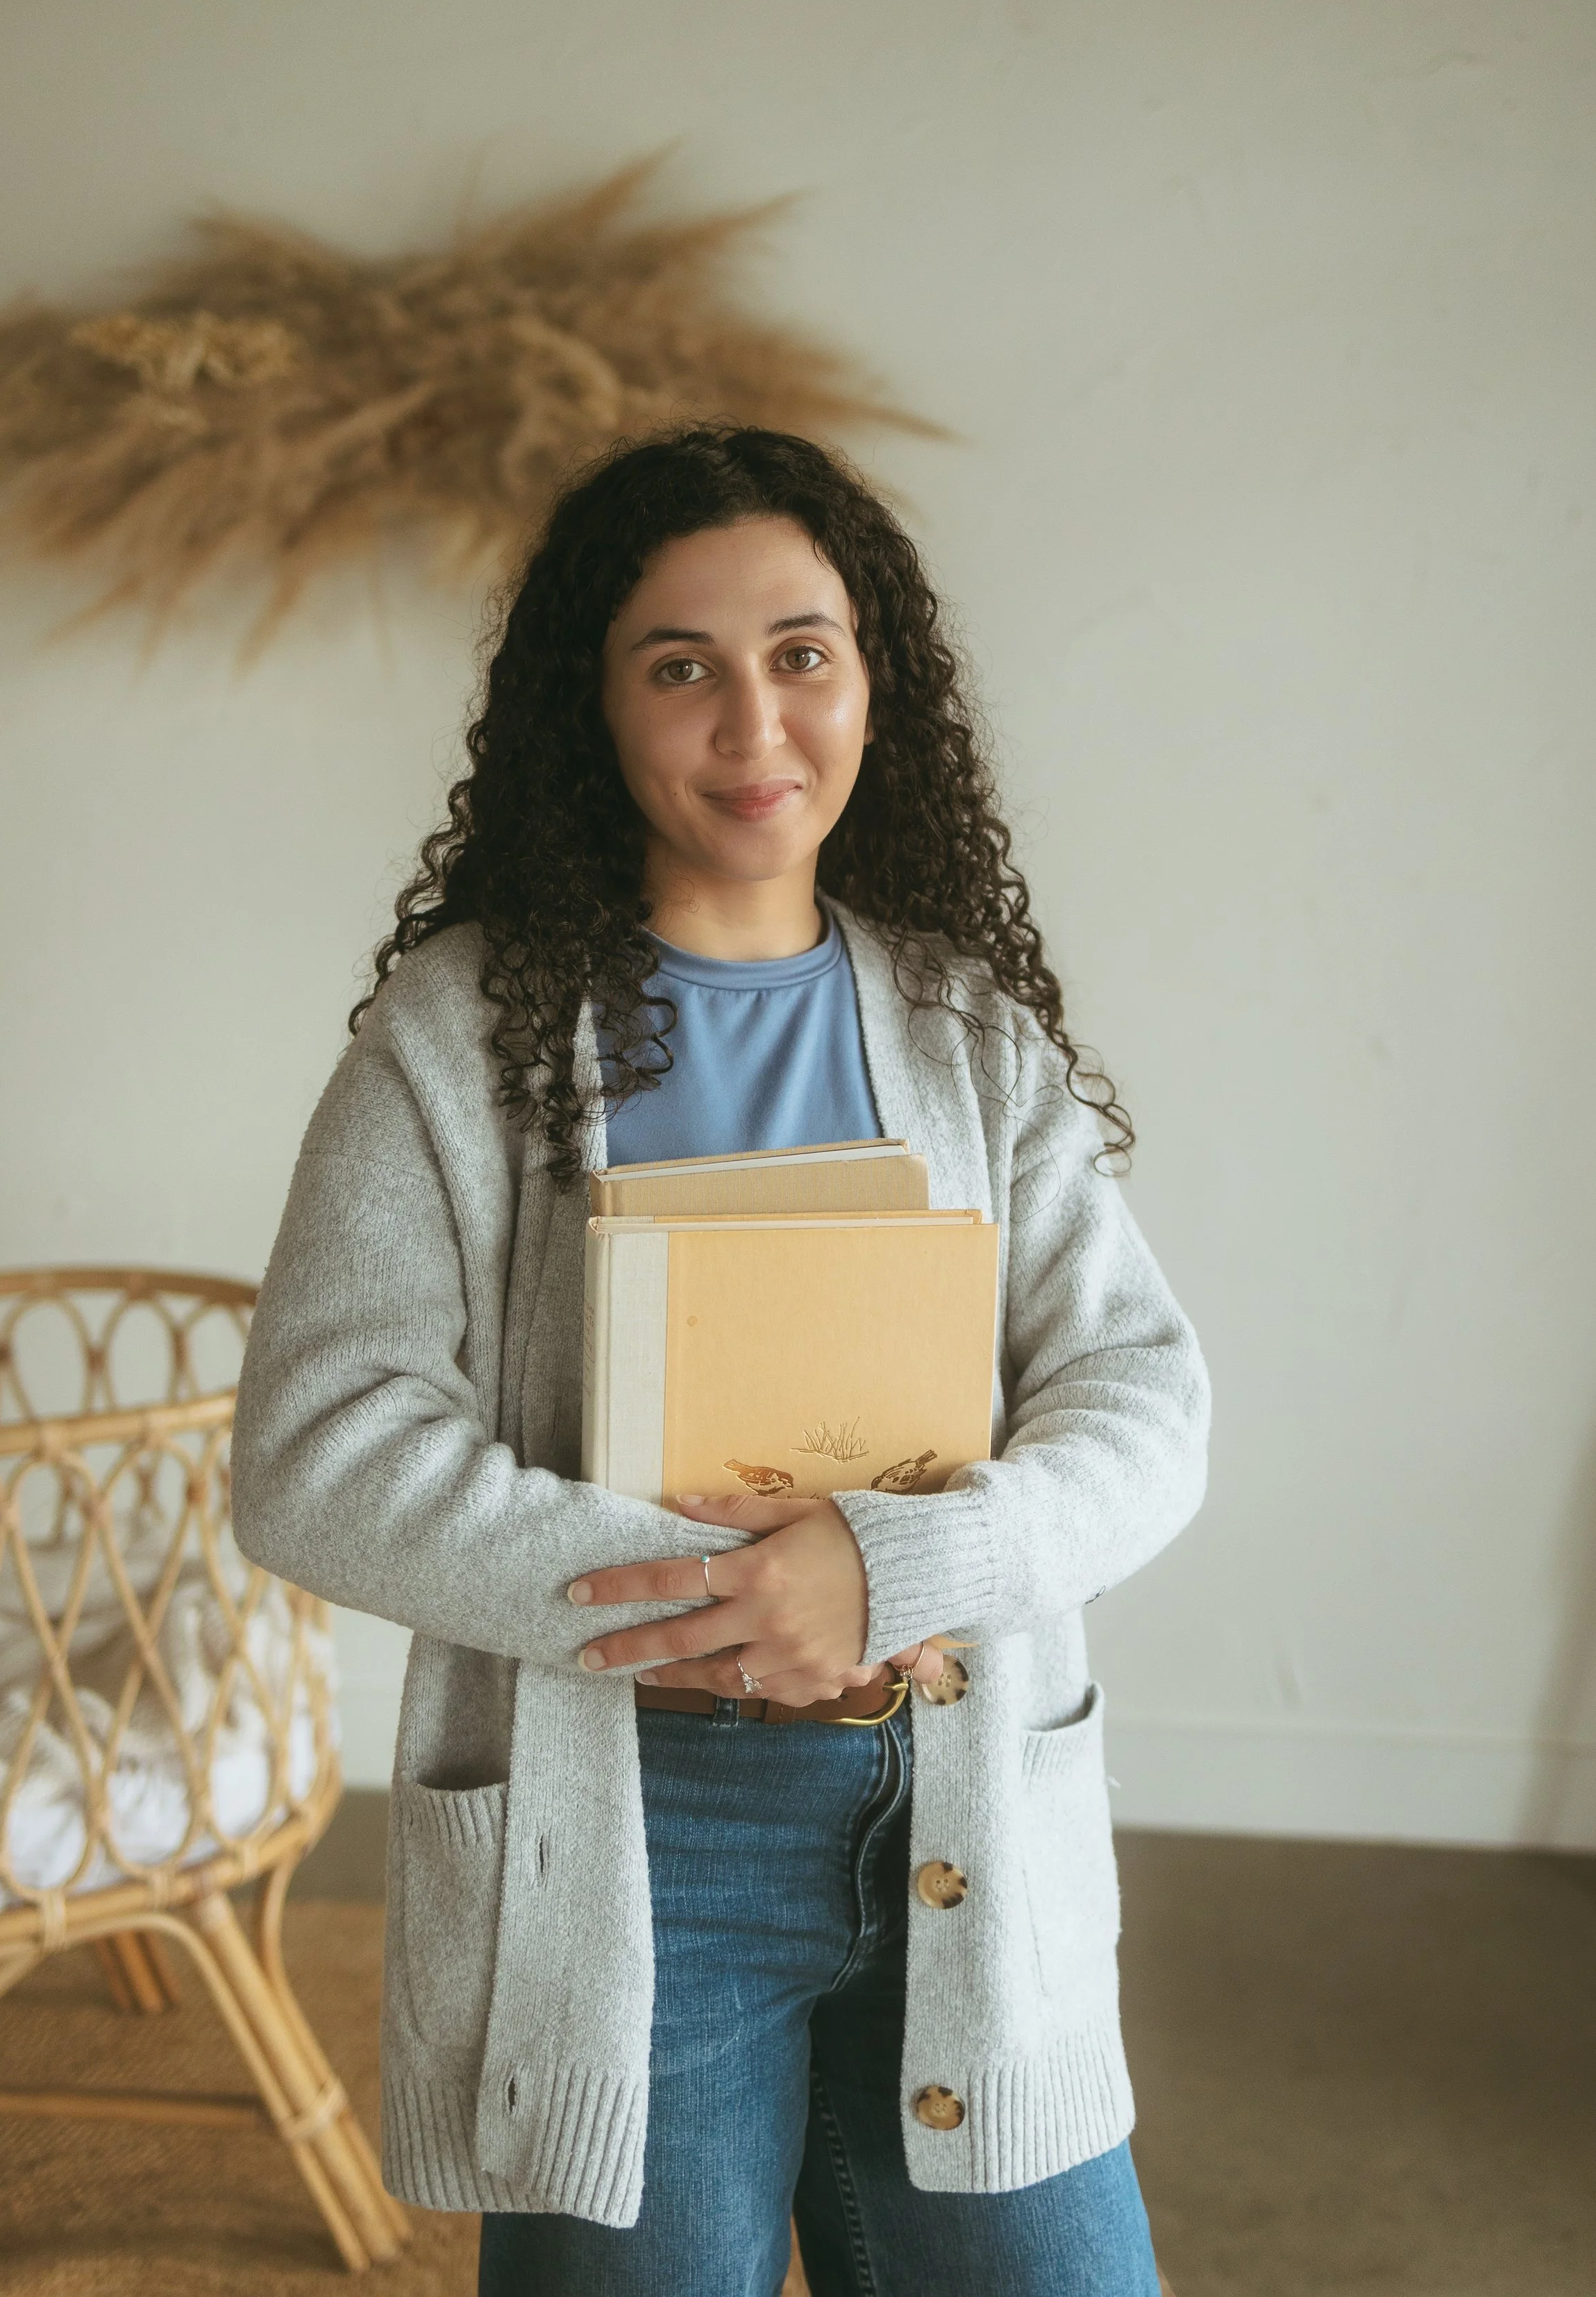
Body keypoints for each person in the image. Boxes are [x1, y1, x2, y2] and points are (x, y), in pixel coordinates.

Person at [231, 426, 1209, 2297]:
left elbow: (1144, 1402)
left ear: (870, 683)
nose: (751, 720)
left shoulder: (968, 1034)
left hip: (962, 1813)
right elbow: (315, 1444)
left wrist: (892, 1566)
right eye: (678, 663)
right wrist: (714, 1596)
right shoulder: (458, 1039)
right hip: (630, 1854)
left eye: (799, 652)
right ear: (589, 708)